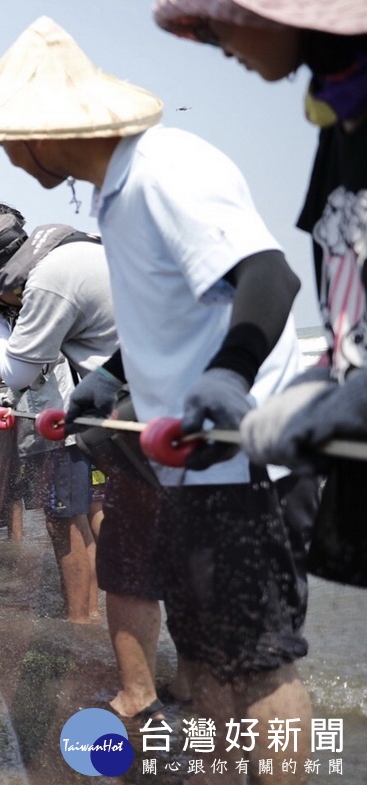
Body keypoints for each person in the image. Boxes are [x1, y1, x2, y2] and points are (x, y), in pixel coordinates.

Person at [0, 17, 314, 785]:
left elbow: (269, 278)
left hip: (250, 452)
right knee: (203, 657)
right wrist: (110, 382)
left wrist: (232, 375)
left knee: (261, 663)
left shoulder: (166, 168)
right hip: (191, 467)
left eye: (6, 137)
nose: (5, 153)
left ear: (40, 133)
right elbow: (164, 321)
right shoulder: (115, 196)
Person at [153, 1, 367, 587]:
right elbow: (348, 302)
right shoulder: (338, 116)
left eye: (221, 21)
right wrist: (327, 383)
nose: (217, 44)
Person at [0, 207, 166, 708]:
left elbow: (19, 372)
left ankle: (86, 629)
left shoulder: (47, 284)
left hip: (86, 425)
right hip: (132, 416)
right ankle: (160, 673)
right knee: (121, 535)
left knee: (71, 521)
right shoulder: (76, 256)